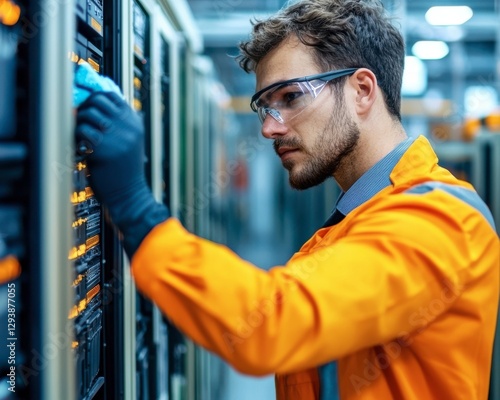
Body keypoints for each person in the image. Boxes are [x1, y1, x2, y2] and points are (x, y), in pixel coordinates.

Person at [75, 0, 499, 398]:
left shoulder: (438, 220)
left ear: (362, 91)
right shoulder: (359, 218)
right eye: (265, 106)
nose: (269, 129)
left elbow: (269, 326)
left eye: (291, 97)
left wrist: (134, 207)